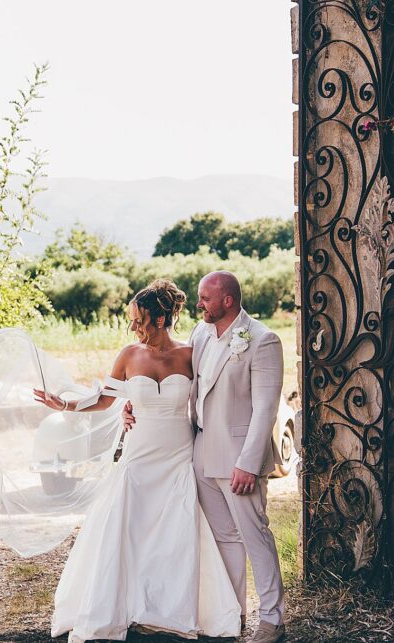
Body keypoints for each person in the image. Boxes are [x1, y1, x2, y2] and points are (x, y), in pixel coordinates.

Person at [33, 279, 241, 642]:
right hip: (139, 456)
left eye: (138, 319)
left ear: (160, 320)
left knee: (175, 533)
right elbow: (104, 399)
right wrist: (64, 403)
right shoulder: (129, 355)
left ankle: (169, 609)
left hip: (178, 457)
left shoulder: (190, 354)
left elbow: (209, 398)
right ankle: (125, 605)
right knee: (129, 529)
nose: (132, 327)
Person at [124, 271, 287, 643]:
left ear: (227, 301)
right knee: (223, 539)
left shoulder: (262, 340)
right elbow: (179, 384)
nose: (198, 304)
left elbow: (266, 410)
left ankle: (273, 620)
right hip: (200, 454)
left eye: (205, 299)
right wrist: (134, 404)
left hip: (240, 460)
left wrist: (248, 463)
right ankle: (233, 614)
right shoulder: (200, 333)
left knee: (255, 537)